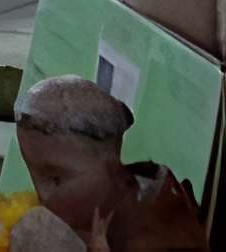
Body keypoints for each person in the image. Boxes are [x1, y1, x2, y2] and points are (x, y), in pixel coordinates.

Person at [13, 77, 209, 252]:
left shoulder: (150, 237)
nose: (42, 196)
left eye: (57, 179)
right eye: (35, 175)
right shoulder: (101, 210)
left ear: (112, 168)